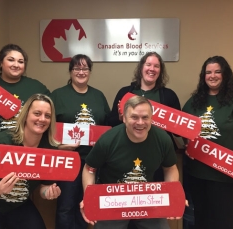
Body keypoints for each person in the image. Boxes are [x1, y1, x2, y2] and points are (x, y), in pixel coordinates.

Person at [182, 56, 233, 229]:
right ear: (203, 76)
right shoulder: (195, 101)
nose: (213, 76)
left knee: (223, 221)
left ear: (225, 74)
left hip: (227, 175)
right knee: (200, 220)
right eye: (208, 72)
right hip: (197, 173)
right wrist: (188, 145)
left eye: (217, 71)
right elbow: (184, 130)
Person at [80, 95, 179, 229]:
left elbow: (170, 168)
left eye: (145, 117)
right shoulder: (108, 140)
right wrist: (89, 197)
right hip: (112, 200)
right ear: (124, 119)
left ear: (151, 119)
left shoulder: (163, 139)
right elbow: (89, 168)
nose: (140, 122)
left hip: (147, 199)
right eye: (134, 117)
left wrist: (172, 195)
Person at [0, 94, 61, 229]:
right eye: (37, 113)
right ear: (26, 115)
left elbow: (44, 188)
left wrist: (48, 192)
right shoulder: (2, 142)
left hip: (17, 204)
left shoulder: (49, 148)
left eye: (47, 116)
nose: (42, 119)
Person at [51, 54, 110, 229]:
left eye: (85, 68)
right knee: (66, 206)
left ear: (90, 72)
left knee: (85, 204)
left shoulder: (98, 96)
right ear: (70, 71)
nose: (81, 72)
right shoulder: (58, 95)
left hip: (93, 161)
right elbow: (47, 128)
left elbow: (106, 125)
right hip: (68, 160)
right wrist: (60, 147)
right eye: (77, 68)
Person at [107, 51, 181, 181]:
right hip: (127, 151)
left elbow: (179, 132)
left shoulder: (169, 96)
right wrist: (121, 117)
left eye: (156, 66)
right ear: (141, 67)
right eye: (148, 64)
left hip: (157, 155)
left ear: (160, 70)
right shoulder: (125, 93)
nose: (152, 69)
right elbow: (110, 123)